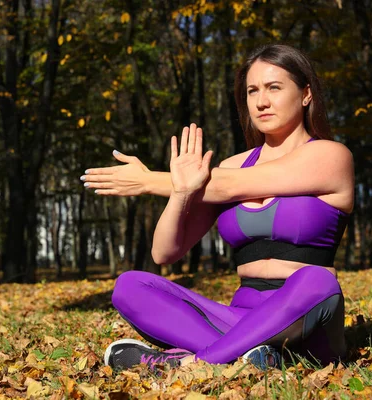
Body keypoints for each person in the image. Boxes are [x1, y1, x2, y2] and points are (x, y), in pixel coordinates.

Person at [80, 44, 354, 371]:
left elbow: (231, 186)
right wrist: (182, 193)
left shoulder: (331, 156)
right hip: (238, 319)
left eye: (274, 88)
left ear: (306, 94)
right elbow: (164, 253)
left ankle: (194, 363)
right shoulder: (231, 166)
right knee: (131, 286)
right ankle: (256, 357)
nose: (261, 101)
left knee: (316, 280)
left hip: (309, 322)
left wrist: (148, 181)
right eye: (252, 91)